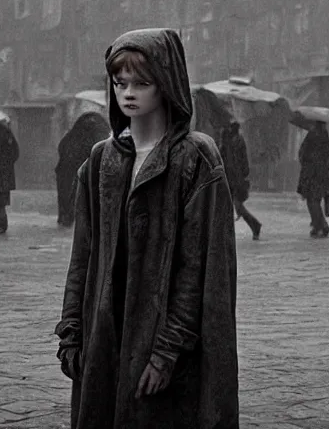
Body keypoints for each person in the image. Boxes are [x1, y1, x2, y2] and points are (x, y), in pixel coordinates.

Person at [55, 28, 239, 428]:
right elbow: (83, 256)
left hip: (167, 350)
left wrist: (166, 352)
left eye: (142, 82)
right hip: (105, 342)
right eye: (120, 82)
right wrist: (72, 330)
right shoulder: (101, 161)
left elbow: (197, 269)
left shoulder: (195, 160)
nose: (129, 92)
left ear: (166, 83)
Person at [55, 112, 110, 227]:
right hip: (79, 169)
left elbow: (62, 148)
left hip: (70, 170)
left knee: (67, 193)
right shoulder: (99, 136)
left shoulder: (73, 135)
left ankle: (66, 216)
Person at [219, 120, 262, 240]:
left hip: (233, 179)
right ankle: (253, 225)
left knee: (236, 206)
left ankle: (255, 225)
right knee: (232, 206)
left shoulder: (232, 141)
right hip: (232, 178)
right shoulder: (234, 140)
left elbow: (235, 162)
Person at [297, 121, 329, 237]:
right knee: (315, 200)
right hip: (321, 173)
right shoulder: (325, 135)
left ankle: (320, 226)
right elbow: (328, 156)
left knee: (311, 200)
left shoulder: (312, 134)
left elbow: (303, 152)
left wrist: (305, 161)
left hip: (311, 172)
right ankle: (320, 225)